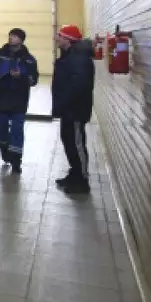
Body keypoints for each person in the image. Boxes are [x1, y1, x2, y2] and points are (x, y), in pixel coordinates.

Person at [0, 28, 39, 174]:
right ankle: (4, 147)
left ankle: (16, 161)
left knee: (17, 130)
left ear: (21, 40)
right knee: (0, 127)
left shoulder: (29, 60)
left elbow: (33, 80)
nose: (11, 38)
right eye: (10, 36)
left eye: (14, 36)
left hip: (19, 100)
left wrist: (21, 76)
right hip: (0, 97)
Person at [51, 24, 95, 194]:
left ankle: (82, 180)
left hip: (75, 109)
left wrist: (65, 102)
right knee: (68, 141)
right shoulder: (69, 55)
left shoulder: (79, 59)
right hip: (67, 108)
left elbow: (80, 86)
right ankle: (74, 173)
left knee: (77, 144)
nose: (57, 38)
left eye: (60, 36)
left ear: (68, 39)